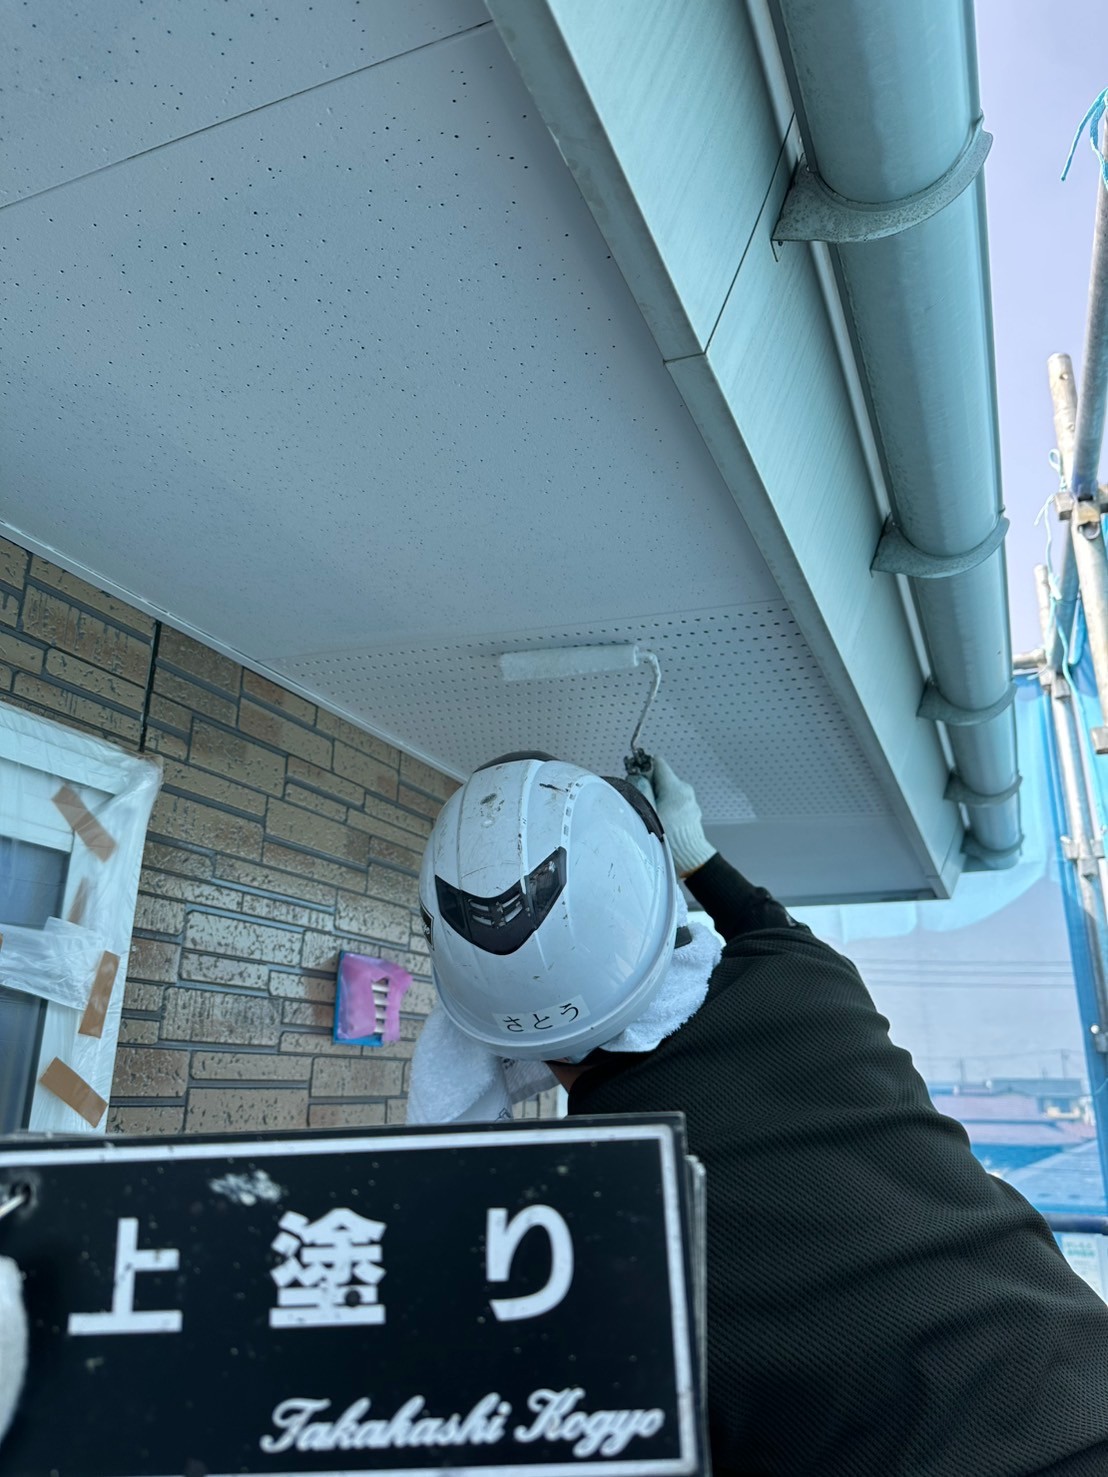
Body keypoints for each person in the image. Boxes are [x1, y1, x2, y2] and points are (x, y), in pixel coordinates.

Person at [410, 750, 1108, 1476]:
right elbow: (757, 917)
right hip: (1084, 1390)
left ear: (496, 1046)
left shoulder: (581, 1218)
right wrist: (694, 852)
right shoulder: (805, 979)